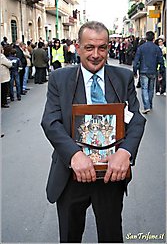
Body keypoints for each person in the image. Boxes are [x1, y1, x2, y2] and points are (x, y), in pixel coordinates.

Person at [41, 21, 146, 243]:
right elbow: (51, 121)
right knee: (70, 236)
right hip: (71, 174)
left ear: (108, 48)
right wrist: (74, 155)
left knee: (111, 236)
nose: (96, 55)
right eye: (89, 48)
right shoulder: (59, 79)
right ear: (78, 48)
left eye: (102, 48)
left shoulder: (122, 77)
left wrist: (125, 152)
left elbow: (136, 119)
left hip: (110, 174)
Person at [133, 31, 165, 114]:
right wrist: (161, 72)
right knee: (151, 89)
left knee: (144, 88)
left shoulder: (141, 48)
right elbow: (161, 60)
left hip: (143, 71)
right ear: (154, 38)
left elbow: (136, 60)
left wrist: (135, 71)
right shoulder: (157, 48)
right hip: (153, 71)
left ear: (146, 38)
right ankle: (149, 105)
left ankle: (146, 106)